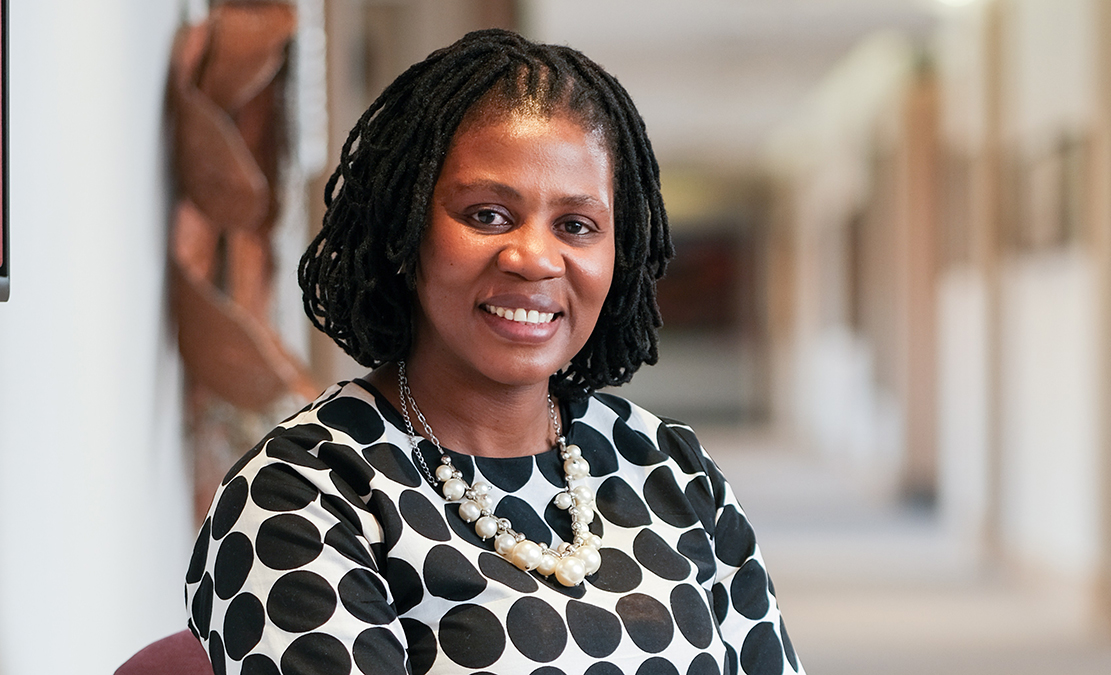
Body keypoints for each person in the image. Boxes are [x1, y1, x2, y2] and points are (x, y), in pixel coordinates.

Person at [185, 28, 803, 675]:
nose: (534, 258)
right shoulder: (302, 495)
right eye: (487, 215)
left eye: (576, 226)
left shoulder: (672, 468)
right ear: (405, 227)